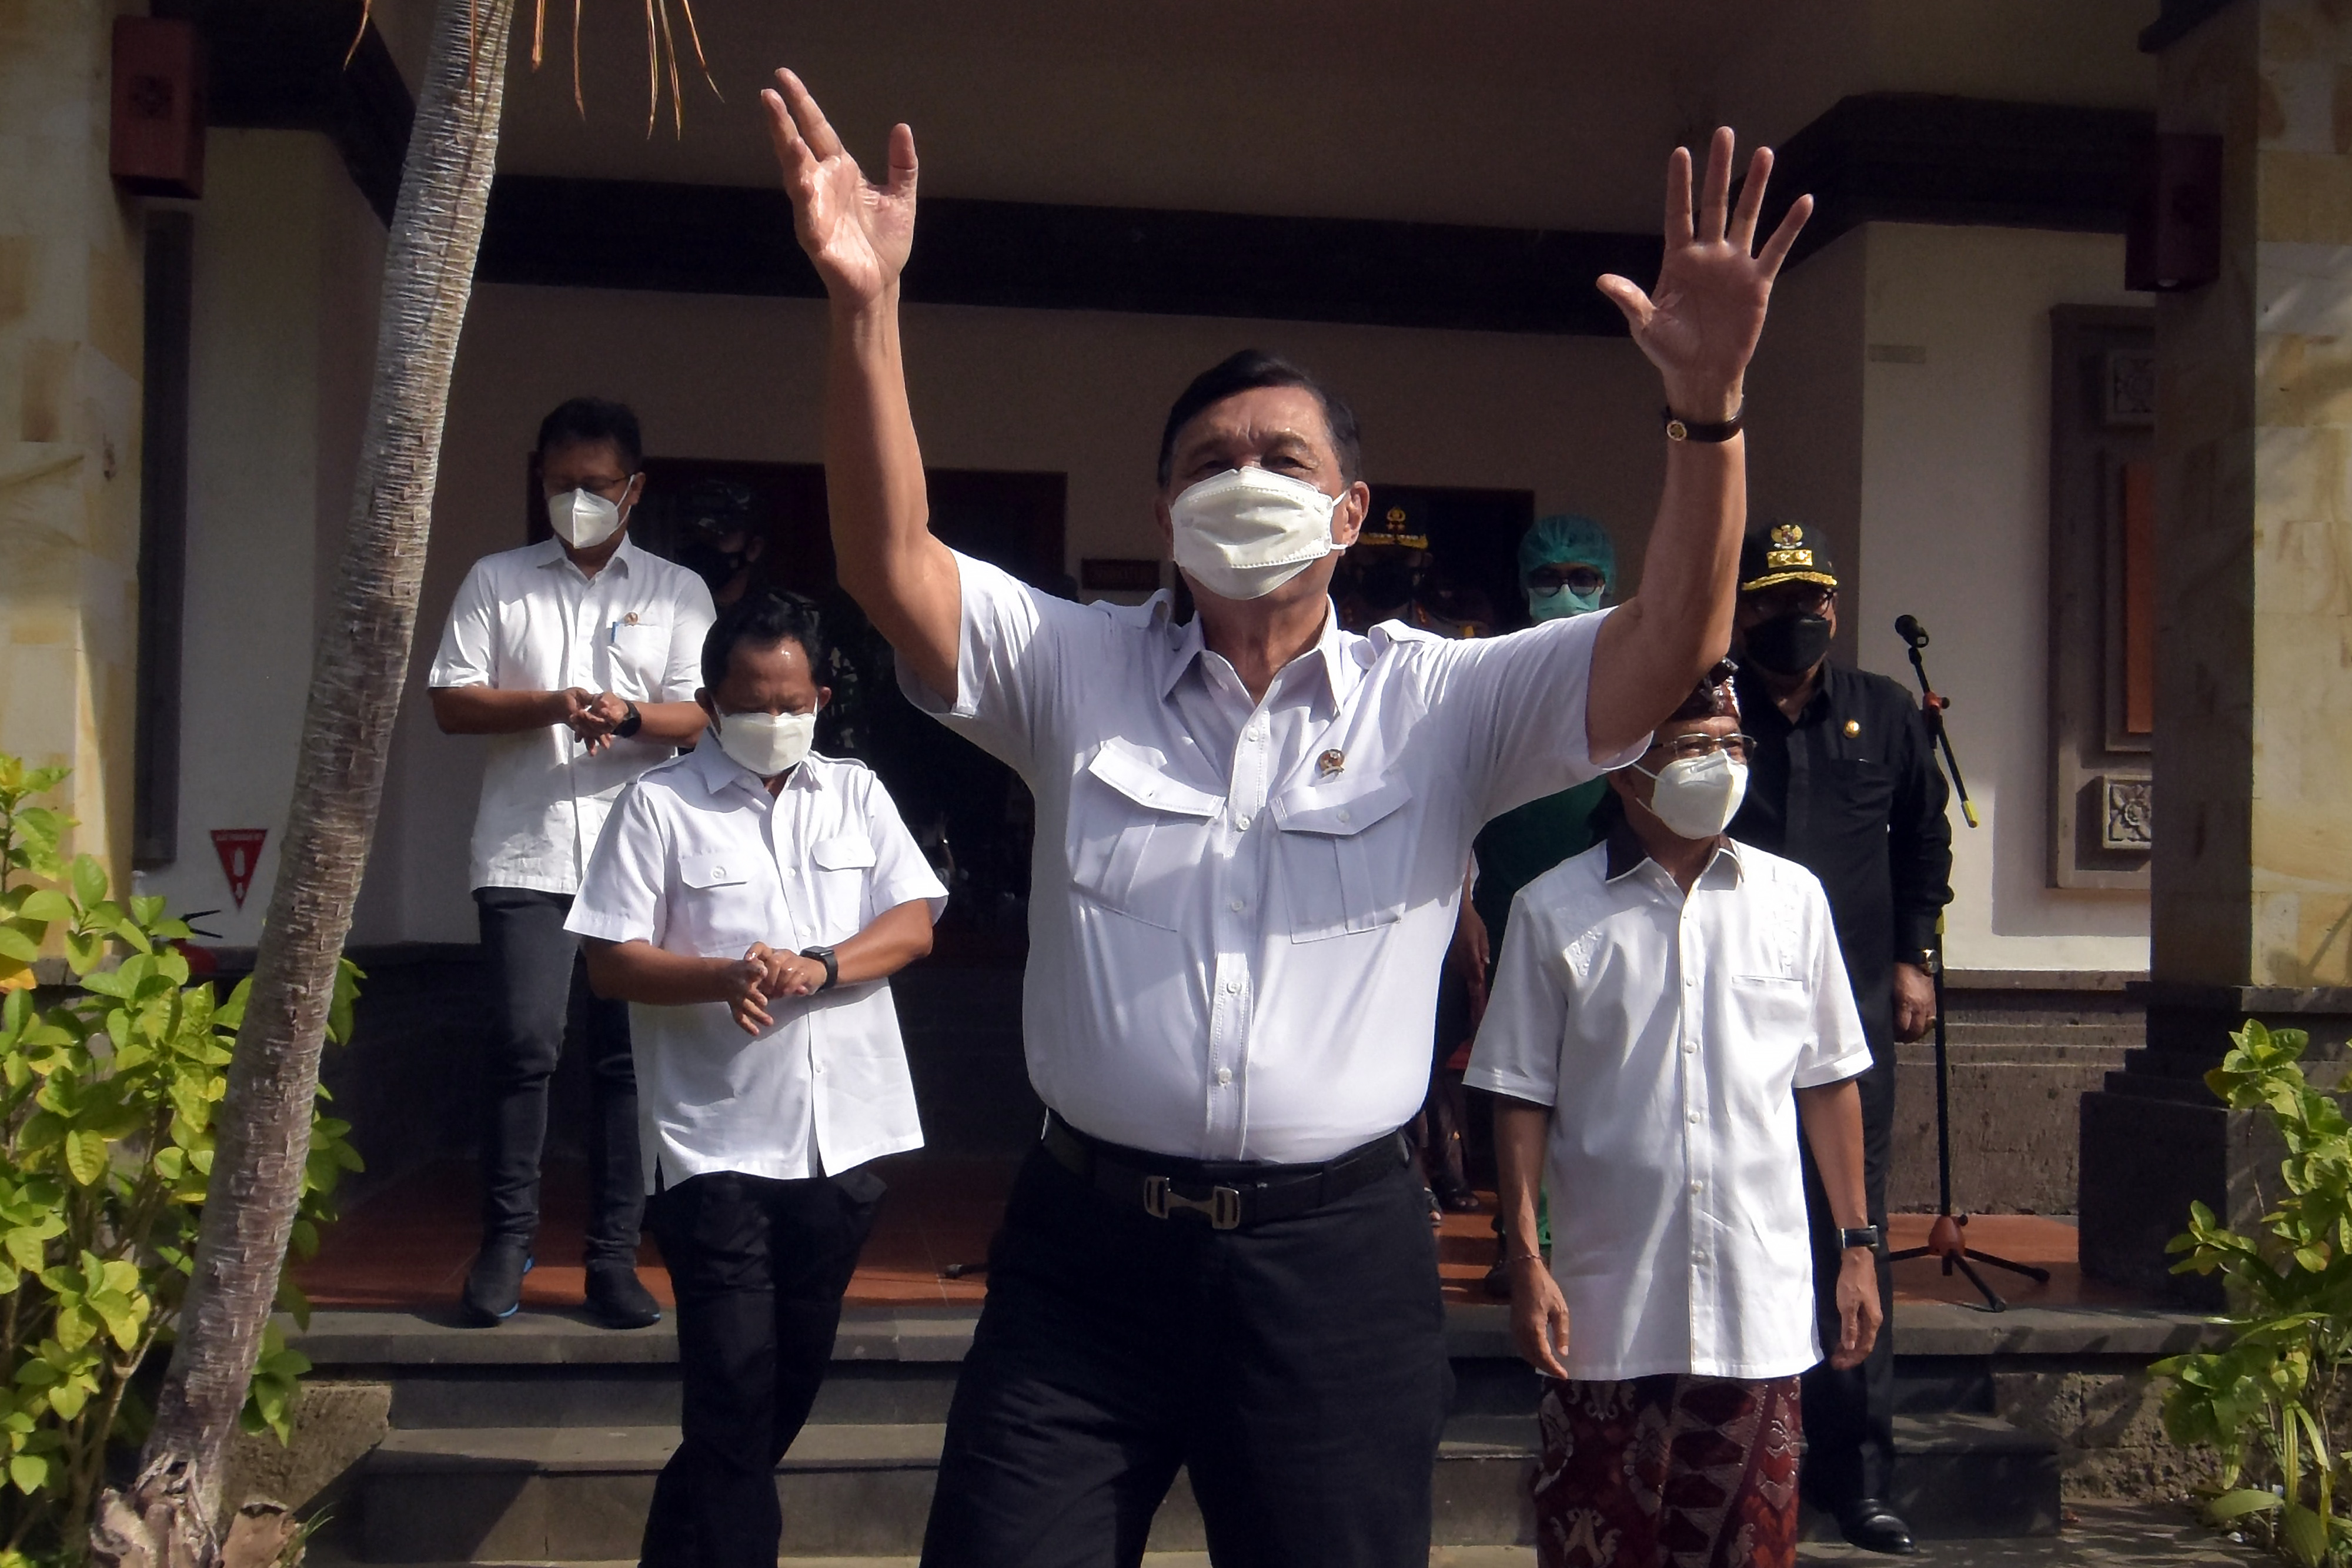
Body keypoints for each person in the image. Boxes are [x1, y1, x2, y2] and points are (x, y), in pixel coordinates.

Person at [763, 66, 1812, 1567]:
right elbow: (891, 560)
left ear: (1348, 510)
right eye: (1206, 462)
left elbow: (1664, 643)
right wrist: (864, 305)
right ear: (1158, 512)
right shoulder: (1072, 668)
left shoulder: (1440, 700)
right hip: (1083, 1266)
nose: (1241, 479)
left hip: (1336, 1269)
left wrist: (1703, 413)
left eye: (1282, 460)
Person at [1468, 661, 1882, 1568]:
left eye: (1732, 746)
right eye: (1692, 748)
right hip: (1606, 1304)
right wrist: (1525, 1258)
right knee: (1599, 1541)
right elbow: (1520, 1096)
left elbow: (1828, 1082)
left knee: (1750, 1546)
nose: (1721, 765)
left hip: (1757, 1297)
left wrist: (1859, 1247)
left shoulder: (1792, 900)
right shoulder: (1554, 911)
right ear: (1625, 770)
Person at [566, 590, 945, 1568]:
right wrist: (721, 974)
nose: (774, 720)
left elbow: (914, 923)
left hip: (844, 1142)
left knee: (776, 1396)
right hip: (715, 1146)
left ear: (821, 695)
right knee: (733, 1388)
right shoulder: (660, 805)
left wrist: (820, 965)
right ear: (709, 698)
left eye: (792, 701)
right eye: (752, 701)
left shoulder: (856, 792)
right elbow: (610, 963)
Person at [428, 397, 718, 1328]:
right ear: (538, 479)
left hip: (638, 860)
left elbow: (703, 713)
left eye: (597, 485)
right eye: (562, 485)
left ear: (634, 488)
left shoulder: (676, 591)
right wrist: (556, 703)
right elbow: (453, 702)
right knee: (523, 1047)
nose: (579, 499)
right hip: (525, 851)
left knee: (625, 1065)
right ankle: (506, 1248)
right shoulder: (497, 581)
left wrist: (628, 716)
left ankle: (611, 1262)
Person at [1726, 520, 1953, 1555]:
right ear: (1742, 609)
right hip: (1723, 1017)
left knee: (1847, 1236)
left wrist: (1916, 957)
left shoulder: (1886, 713)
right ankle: (1736, 1458)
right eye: (1774, 602)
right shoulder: (1706, 704)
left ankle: (1857, 1476)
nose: (1798, 618)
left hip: (1848, 1021)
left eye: (1811, 599)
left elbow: (1923, 837)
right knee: (1728, 1224)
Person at [1459, 513, 1623, 1288]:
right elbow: (1454, 799)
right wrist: (1462, 908)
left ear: (1609, 585)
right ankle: (1520, 1233)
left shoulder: (1633, 670)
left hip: (1611, 903)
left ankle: (1589, 1233)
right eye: (1548, 579)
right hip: (1508, 904)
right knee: (1516, 1076)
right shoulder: (1492, 675)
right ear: (1523, 588)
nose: (1565, 593)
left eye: (1582, 579)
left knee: (1598, 1073)